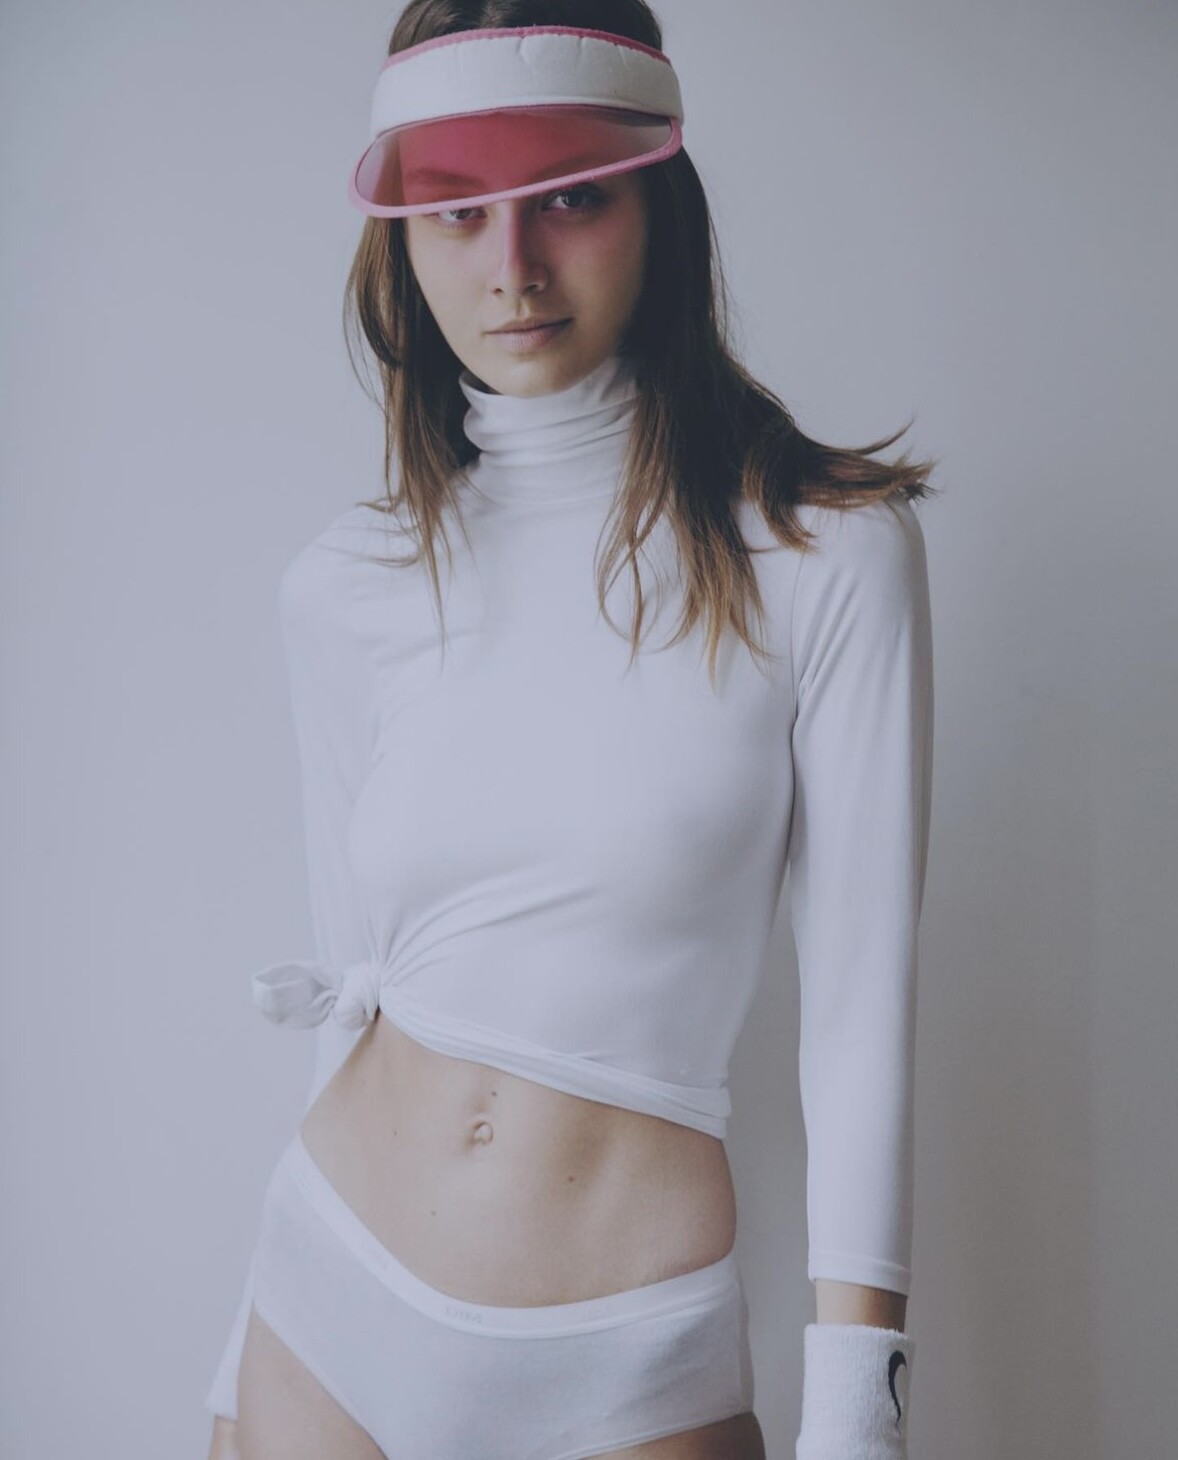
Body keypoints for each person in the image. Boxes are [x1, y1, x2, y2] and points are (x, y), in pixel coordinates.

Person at [203, 4, 938, 1458]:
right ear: (399, 241)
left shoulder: (824, 553)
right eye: (455, 212)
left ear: (658, 200)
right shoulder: (346, 585)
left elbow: (859, 1019)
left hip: (621, 1356)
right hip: (319, 1311)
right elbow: (354, 991)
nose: (512, 268)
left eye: (569, 199)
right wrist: (237, 1374)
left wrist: (861, 1419)